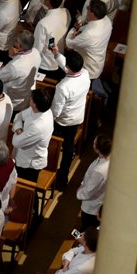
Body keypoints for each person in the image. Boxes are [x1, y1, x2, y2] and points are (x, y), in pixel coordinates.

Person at [49, 49, 91, 188]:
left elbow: (56, 110)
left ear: (68, 67)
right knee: (69, 147)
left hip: (63, 122)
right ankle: (63, 178)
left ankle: (50, 171)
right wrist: (56, 54)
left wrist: (47, 120)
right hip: (77, 119)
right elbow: (68, 68)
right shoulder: (85, 74)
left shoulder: (63, 87)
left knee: (54, 144)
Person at [12, 89, 55, 183]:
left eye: (31, 98)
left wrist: (17, 130)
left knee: (26, 192)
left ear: (34, 104)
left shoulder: (38, 125)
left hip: (29, 164)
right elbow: (19, 116)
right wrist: (19, 130)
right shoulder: (37, 109)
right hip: (23, 157)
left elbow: (16, 142)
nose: (29, 98)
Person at [77, 134, 111, 231]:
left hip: (92, 207)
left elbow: (89, 191)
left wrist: (79, 191)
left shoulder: (100, 170)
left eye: (94, 143)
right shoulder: (105, 160)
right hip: (98, 203)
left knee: (86, 229)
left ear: (97, 149)